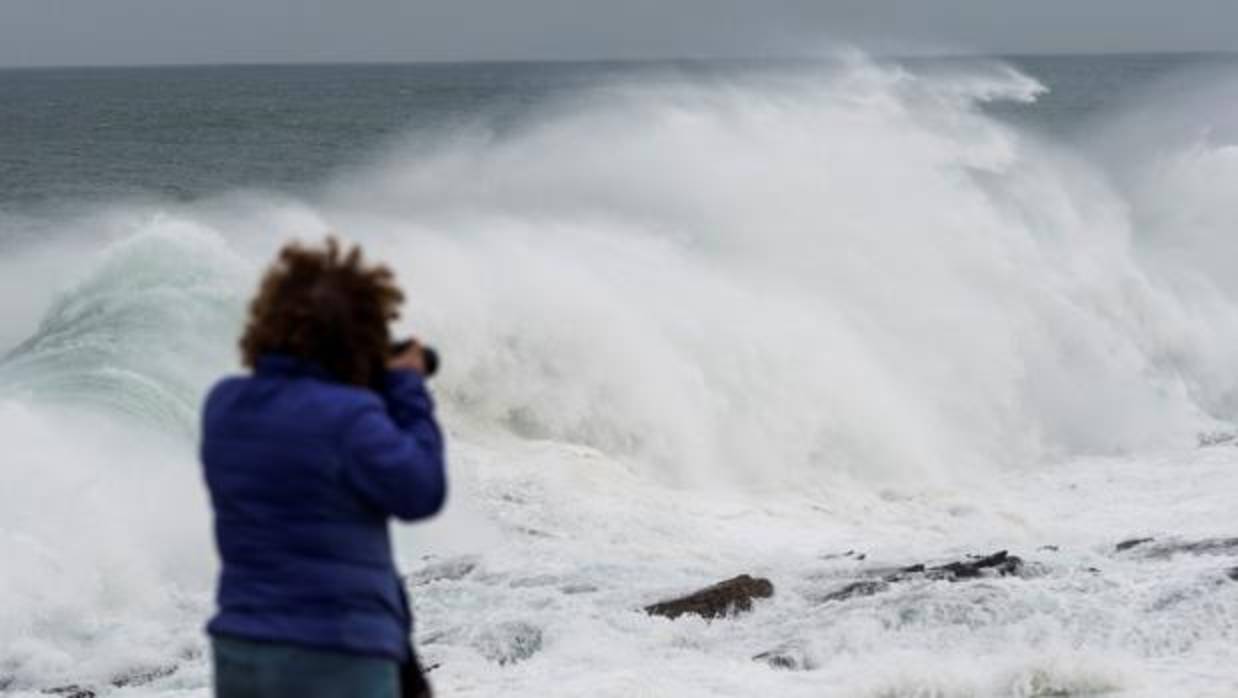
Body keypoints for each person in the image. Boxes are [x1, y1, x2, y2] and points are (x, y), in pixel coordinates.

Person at [200, 238, 446, 698]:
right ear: (363, 336)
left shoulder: (225, 406)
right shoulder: (351, 419)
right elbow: (420, 490)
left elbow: (301, 435)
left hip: (243, 649)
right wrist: (407, 386)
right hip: (337, 653)